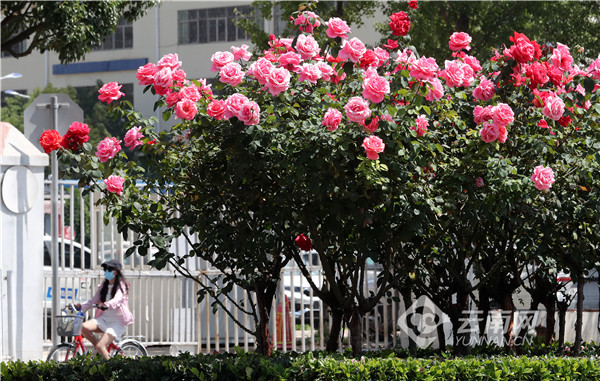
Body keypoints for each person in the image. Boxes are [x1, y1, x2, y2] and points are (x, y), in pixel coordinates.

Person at [75, 259, 134, 359]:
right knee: (83, 327)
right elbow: (94, 300)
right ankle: (99, 351)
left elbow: (117, 299)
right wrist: (82, 306)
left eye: (109, 269)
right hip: (104, 319)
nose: (106, 271)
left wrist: (107, 305)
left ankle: (112, 369)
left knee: (100, 346)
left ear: (115, 271)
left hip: (117, 322)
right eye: (105, 269)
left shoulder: (122, 285)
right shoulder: (104, 285)